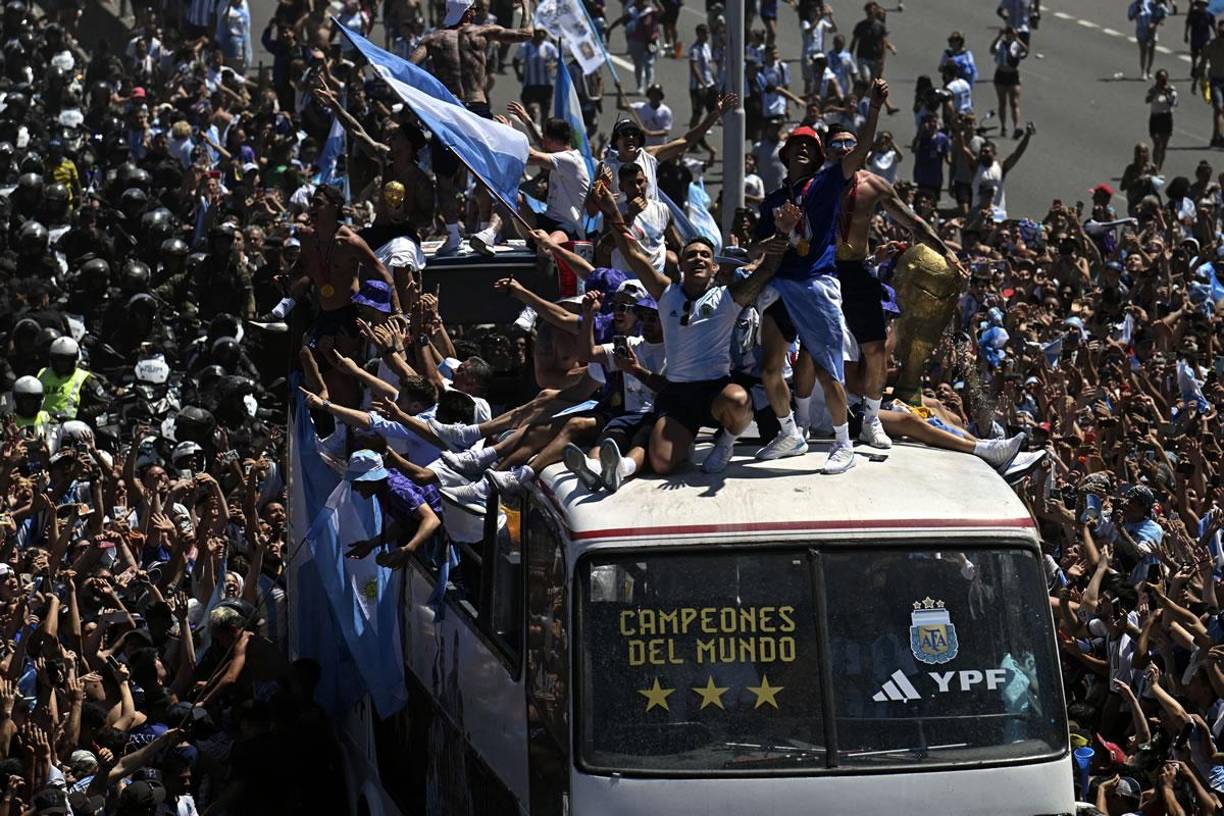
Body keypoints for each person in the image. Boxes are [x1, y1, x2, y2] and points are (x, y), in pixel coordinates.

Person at [749, 78, 890, 474]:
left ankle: (844, 443)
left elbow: (859, 151)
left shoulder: (827, 183)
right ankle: (790, 433)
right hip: (782, 286)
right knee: (770, 368)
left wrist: (874, 109)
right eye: (799, 145)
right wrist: (779, 232)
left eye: (812, 147)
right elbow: (754, 250)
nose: (805, 151)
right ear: (787, 153)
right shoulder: (775, 201)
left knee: (829, 370)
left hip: (815, 284)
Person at [37, 337, 109, 423]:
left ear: (74, 360)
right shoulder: (43, 374)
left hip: (72, 426)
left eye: (66, 360)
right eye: (58, 359)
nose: (62, 364)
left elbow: (104, 402)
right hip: (43, 425)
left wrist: (84, 413)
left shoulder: (84, 378)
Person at [512, 28, 558, 125]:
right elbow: (515, 60)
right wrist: (519, 74)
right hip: (530, 84)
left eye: (544, 32)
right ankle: (532, 114)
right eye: (538, 32)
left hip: (546, 85)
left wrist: (553, 65)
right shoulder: (525, 46)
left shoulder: (550, 47)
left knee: (545, 113)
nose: (541, 35)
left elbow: (558, 61)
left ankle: (543, 134)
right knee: (530, 108)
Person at [990, 26, 1029, 139]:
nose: (1009, 35)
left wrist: (1017, 39)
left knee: (1014, 102)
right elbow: (992, 50)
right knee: (1002, 103)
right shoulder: (1000, 44)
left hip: (1013, 74)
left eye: (1011, 33)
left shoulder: (1016, 45)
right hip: (1001, 73)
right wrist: (998, 36)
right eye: (1008, 33)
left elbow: (1026, 51)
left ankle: (1016, 127)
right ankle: (1003, 126)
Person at [1145, 69, 1177, 172]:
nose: (1162, 81)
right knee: (1157, 143)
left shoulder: (1171, 89)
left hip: (1166, 118)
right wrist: (1156, 92)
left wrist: (1167, 93)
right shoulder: (1153, 89)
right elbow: (1147, 100)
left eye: (1164, 79)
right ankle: (1154, 165)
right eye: (1160, 78)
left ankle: (1159, 168)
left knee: (1163, 146)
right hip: (1155, 117)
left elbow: (1174, 103)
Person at [1129, 0, 1168, 81]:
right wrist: (1136, 11)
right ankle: (1143, 72)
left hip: (1152, 31)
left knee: (1151, 51)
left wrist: (1157, 22)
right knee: (1143, 51)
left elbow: (1163, 12)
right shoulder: (1133, 5)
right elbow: (1130, 17)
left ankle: (1148, 69)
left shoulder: (1150, 3)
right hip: (1141, 30)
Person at [1203, 20, 1224, 146]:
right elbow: (1203, 62)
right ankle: (1220, 136)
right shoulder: (1210, 45)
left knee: (1220, 111)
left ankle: (1215, 136)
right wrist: (1197, 79)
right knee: (1219, 108)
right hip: (1216, 80)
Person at [1187, 0, 1215, 79]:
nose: (1201, 6)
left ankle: (1201, 71)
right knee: (1194, 54)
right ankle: (1194, 66)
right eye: (1200, 4)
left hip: (1205, 38)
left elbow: (1213, 26)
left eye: (1203, 5)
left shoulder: (1209, 15)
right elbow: (1188, 23)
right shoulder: (1193, 14)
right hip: (1195, 38)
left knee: (1204, 55)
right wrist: (1186, 35)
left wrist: (1217, 37)